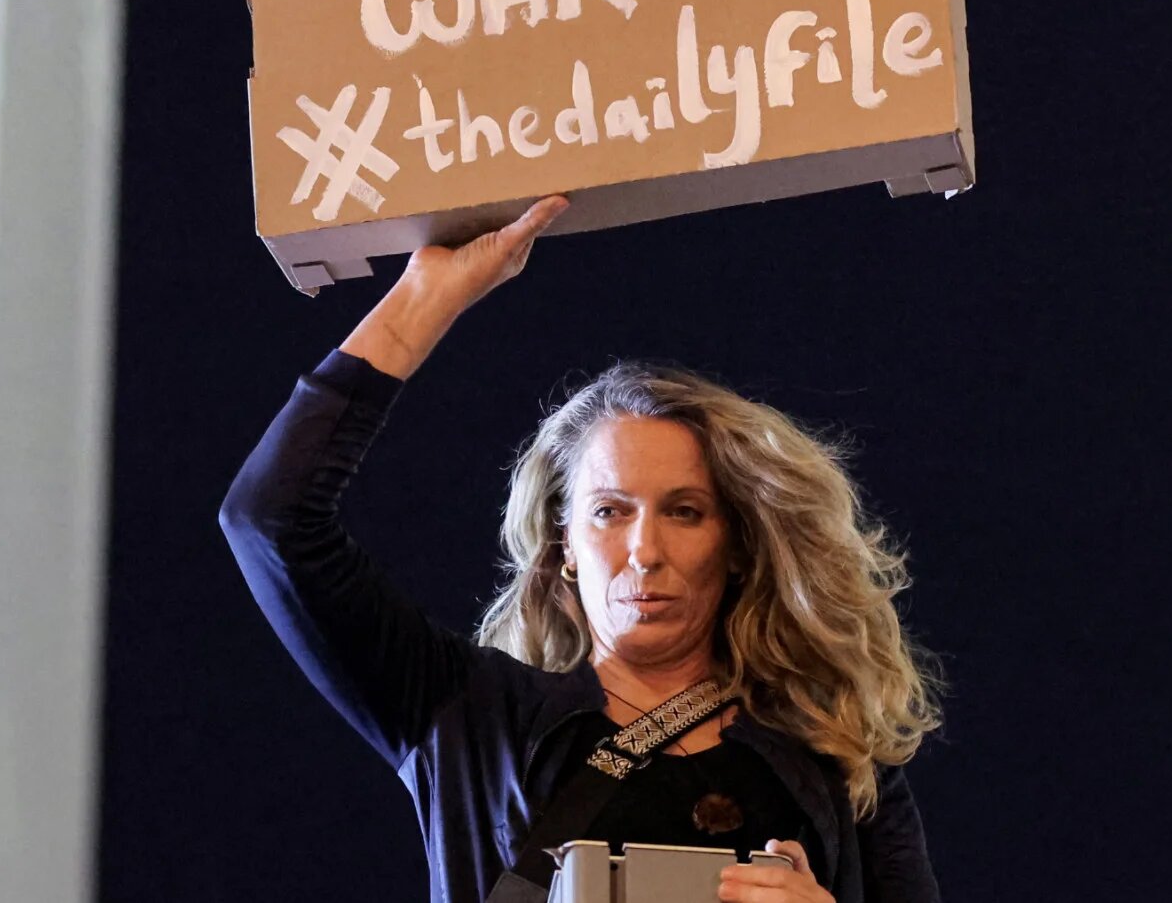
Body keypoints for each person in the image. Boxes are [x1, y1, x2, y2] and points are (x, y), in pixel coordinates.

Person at [220, 196, 943, 903]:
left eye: (685, 512)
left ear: (738, 546)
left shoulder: (836, 752)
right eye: (609, 511)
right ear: (565, 540)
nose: (645, 548)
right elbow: (270, 517)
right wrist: (425, 292)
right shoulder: (473, 720)